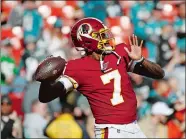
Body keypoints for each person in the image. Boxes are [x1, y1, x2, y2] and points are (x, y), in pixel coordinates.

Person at [37, 17, 165, 138]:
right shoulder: (76, 68)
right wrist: (47, 80)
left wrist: (141, 60)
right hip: (111, 130)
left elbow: (159, 74)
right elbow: (45, 97)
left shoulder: (118, 53)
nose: (106, 38)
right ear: (87, 41)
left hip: (134, 126)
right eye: (100, 36)